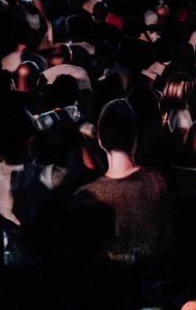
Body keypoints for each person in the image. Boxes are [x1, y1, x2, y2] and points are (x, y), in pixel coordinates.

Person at [72, 97, 172, 266]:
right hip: (156, 277)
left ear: (100, 141)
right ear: (135, 136)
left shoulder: (86, 196)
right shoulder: (158, 181)